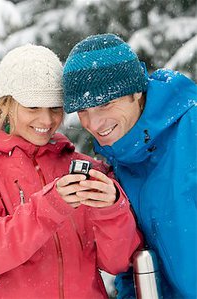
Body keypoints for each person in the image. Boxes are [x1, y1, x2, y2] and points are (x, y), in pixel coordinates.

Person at [0, 44, 141, 299]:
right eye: (33, 107)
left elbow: (117, 262)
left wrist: (111, 208)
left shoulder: (90, 170)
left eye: (55, 108)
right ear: (6, 104)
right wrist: (50, 206)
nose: (47, 120)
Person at [62, 33, 197, 299]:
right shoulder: (117, 162)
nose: (94, 123)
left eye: (105, 104)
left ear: (136, 91)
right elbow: (132, 266)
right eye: (83, 111)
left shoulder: (191, 129)